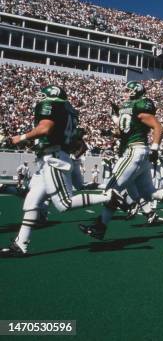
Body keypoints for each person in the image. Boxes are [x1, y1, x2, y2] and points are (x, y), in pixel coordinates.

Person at [1, 85, 123, 257]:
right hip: (52, 156)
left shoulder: (51, 105)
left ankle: (109, 196)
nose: (40, 98)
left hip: (54, 158)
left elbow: (45, 128)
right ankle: (20, 245)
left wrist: (19, 138)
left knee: (64, 203)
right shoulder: (68, 110)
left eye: (43, 95)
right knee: (31, 202)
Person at [79, 81, 163, 239]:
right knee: (149, 193)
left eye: (128, 90)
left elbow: (157, 126)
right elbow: (122, 132)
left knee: (111, 189)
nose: (125, 93)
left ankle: (123, 208)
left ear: (135, 92)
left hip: (134, 150)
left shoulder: (140, 105)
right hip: (133, 151)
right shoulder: (127, 108)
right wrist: (110, 131)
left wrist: (155, 148)